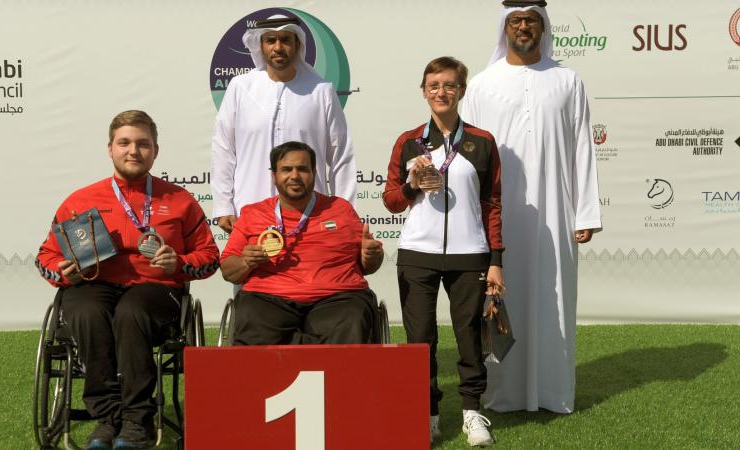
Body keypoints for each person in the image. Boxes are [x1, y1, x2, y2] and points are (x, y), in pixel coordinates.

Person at [35, 110, 221, 450]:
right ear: (110, 149)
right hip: (94, 284)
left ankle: (136, 420)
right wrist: (63, 269)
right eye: (124, 143)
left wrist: (178, 263)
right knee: (87, 311)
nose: (133, 151)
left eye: (142, 144)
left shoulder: (180, 200)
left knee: (131, 313)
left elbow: (209, 259)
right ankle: (107, 418)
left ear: (155, 151)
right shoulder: (81, 200)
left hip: (155, 289)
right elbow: (44, 258)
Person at [460, 0, 602, 414]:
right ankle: (501, 394)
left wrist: (586, 212)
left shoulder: (568, 81)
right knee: (501, 298)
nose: (523, 27)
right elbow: (470, 157)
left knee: (555, 298)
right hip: (500, 215)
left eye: (531, 20)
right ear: (505, 26)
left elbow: (582, 148)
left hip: (557, 213)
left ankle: (553, 393)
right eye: (516, 20)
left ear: (543, 26)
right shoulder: (484, 84)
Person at [383, 57, 505, 447]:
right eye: (433, 85)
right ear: (423, 91)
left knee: (469, 334)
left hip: (470, 254)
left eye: (449, 85)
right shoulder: (408, 142)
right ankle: (428, 414)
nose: (441, 92)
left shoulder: (482, 142)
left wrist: (496, 261)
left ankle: (472, 413)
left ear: (462, 91)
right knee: (421, 339)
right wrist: (412, 185)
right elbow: (391, 202)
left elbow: (493, 205)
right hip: (417, 254)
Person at [220, 141, 383, 345]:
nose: (294, 176)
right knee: (253, 318)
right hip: (268, 299)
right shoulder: (252, 213)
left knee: (352, 316)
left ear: (314, 173)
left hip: (338, 298)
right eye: (286, 169)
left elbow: (368, 266)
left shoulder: (341, 209)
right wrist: (246, 261)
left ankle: (342, 377)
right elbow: (228, 271)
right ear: (274, 176)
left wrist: (371, 256)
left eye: (302, 169)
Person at [211, 15, 357, 234]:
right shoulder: (240, 88)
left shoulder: (321, 91)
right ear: (260, 45)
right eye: (271, 40)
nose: (278, 47)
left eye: (285, 40)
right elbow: (223, 149)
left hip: (310, 216)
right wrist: (223, 205)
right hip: (250, 210)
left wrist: (344, 212)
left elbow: (341, 157)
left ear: (297, 44)